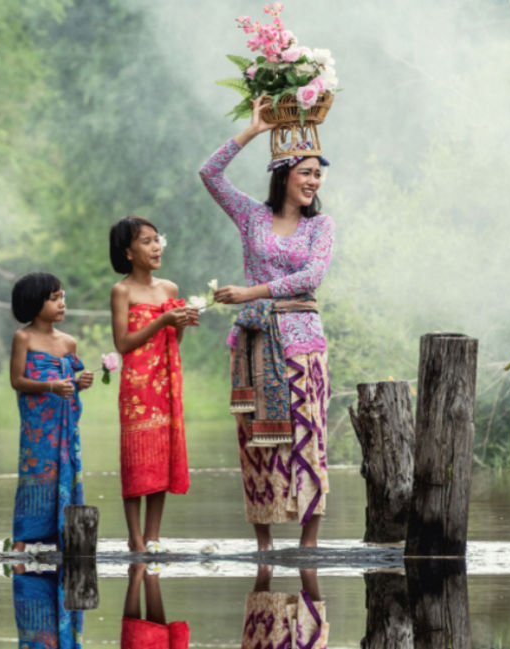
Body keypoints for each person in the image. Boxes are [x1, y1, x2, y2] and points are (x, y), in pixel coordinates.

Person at [199, 95, 333, 551]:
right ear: (284, 175)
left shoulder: (320, 227)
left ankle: (308, 542)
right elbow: (209, 174)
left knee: (308, 434)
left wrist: (248, 293)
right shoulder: (251, 215)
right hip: (256, 343)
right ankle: (263, 543)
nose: (314, 180)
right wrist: (251, 132)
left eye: (318, 173)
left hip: (302, 342)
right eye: (306, 172)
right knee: (257, 441)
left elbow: (310, 277)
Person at [109, 216, 199, 553]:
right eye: (146, 241)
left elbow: (173, 339)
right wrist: (162, 318)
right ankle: (135, 539)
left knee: (161, 457)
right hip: (136, 387)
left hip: (165, 383)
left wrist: (183, 322)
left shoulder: (169, 288)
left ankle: (154, 536)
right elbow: (123, 343)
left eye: (156, 239)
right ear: (128, 252)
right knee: (136, 459)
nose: (156, 246)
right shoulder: (122, 291)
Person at [9, 272, 93, 552]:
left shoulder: (68, 343)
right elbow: (17, 381)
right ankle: (22, 541)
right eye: (54, 298)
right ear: (35, 303)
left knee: (66, 472)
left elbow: (68, 384)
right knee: (36, 475)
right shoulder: (23, 338)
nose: (62, 304)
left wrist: (79, 384)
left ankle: (67, 539)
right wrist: (50, 386)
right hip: (38, 427)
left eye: (63, 297)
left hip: (66, 424)